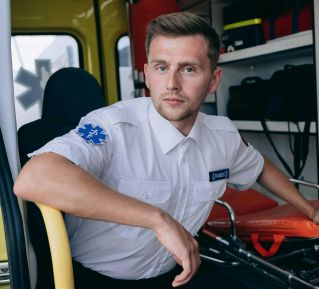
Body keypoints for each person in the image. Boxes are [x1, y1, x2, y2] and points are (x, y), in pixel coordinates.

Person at [14, 11, 319, 289]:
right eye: (162, 67)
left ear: (214, 80)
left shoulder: (222, 135)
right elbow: (35, 178)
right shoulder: (111, 126)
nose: (171, 84)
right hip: (98, 279)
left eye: (188, 69)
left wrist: (307, 208)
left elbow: (259, 167)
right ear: (147, 74)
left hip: (176, 275)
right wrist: (158, 219)